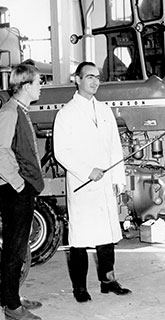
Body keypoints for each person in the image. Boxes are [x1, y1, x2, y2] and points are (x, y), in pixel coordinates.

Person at [53, 61, 132, 303]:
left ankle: (108, 281)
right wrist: (88, 171)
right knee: (81, 238)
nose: (95, 81)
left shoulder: (105, 110)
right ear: (77, 80)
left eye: (97, 77)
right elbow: (61, 151)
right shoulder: (66, 113)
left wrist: (119, 180)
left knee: (106, 235)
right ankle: (80, 287)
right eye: (89, 77)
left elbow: (114, 147)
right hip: (83, 185)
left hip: (105, 183)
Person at [0, 63, 44, 320]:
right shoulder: (9, 113)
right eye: (38, 82)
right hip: (14, 191)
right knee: (13, 249)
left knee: (20, 248)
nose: (40, 86)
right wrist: (18, 183)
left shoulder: (20, 110)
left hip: (21, 188)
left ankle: (13, 296)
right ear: (25, 86)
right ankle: (11, 306)